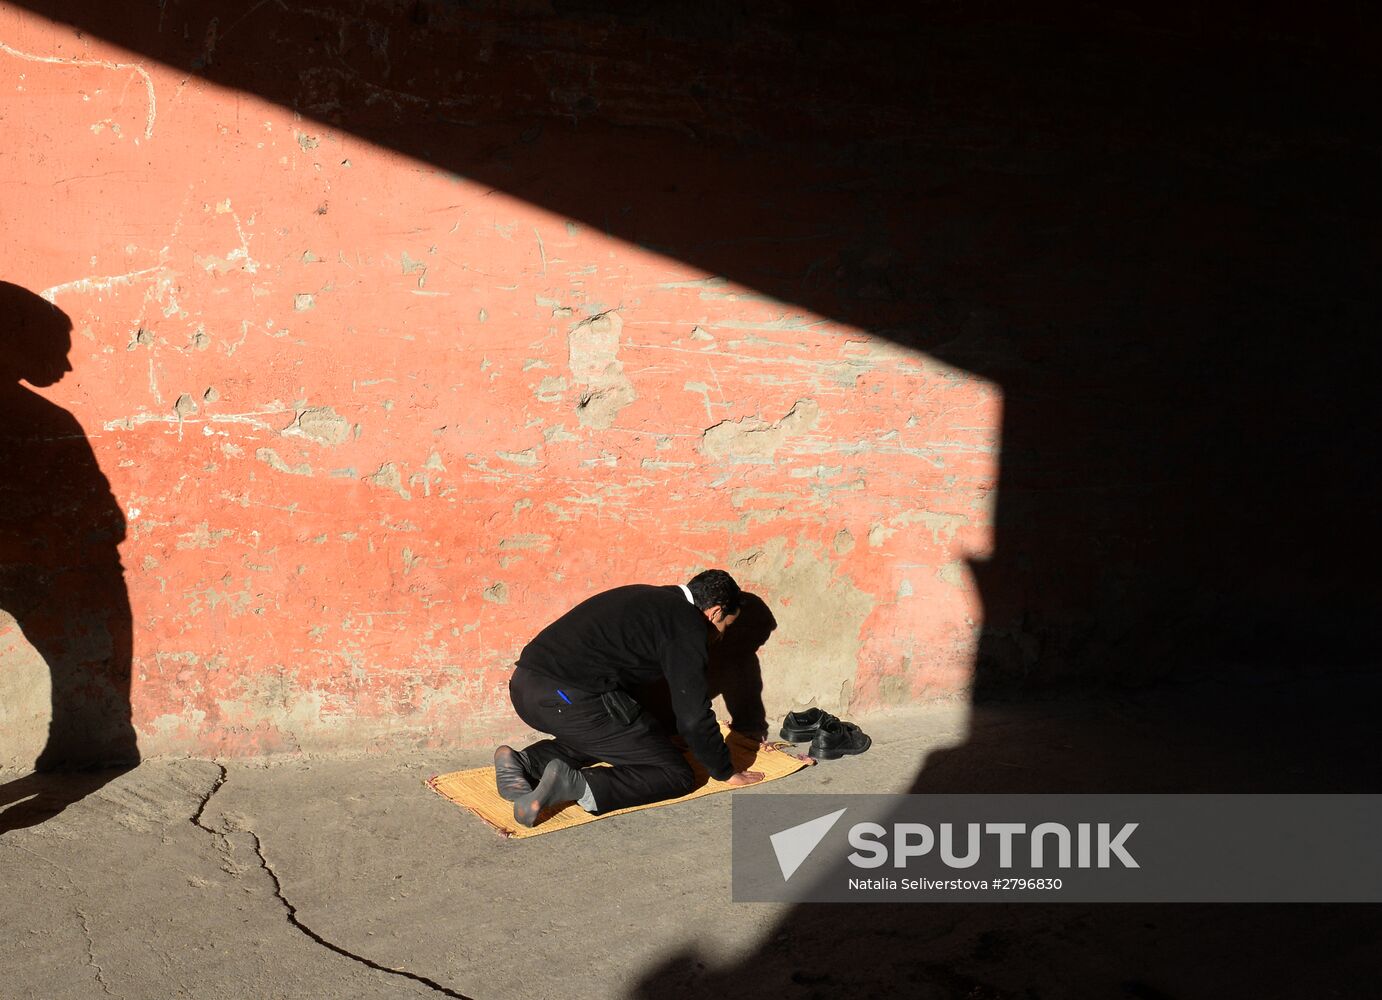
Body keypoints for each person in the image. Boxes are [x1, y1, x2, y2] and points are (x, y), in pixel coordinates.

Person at [495, 569, 764, 826]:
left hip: (526, 687)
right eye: (725, 625)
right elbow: (693, 715)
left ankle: (525, 762)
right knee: (675, 774)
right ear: (715, 612)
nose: (721, 635)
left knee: (609, 737)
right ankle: (576, 784)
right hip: (566, 697)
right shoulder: (687, 623)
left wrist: (665, 735)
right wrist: (725, 770)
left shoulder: (650, 597)